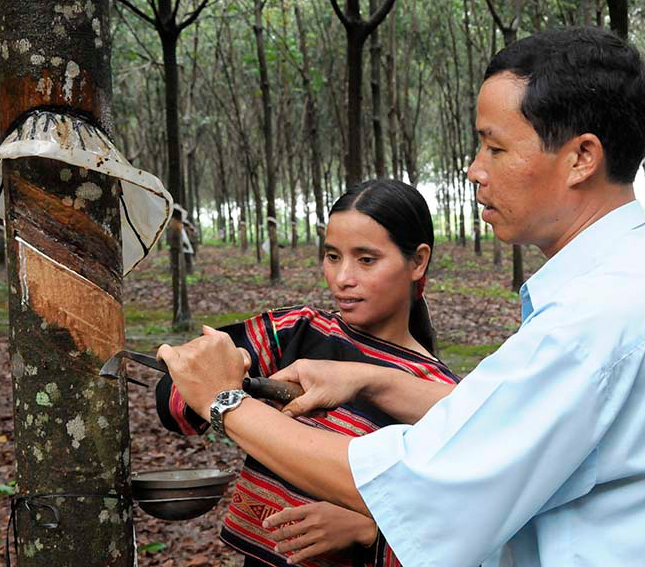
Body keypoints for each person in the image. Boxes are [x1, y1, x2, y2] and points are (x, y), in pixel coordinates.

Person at [159, 27, 645, 566]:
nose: (473, 170)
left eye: (494, 147)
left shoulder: (594, 320)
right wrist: (371, 381)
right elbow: (512, 431)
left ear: (581, 158)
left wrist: (225, 402)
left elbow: (412, 484)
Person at [155, 179, 459, 567]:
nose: (342, 278)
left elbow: (450, 531)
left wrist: (369, 531)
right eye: (333, 256)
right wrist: (218, 381)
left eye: (366, 260)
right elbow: (173, 397)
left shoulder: (440, 396)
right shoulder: (296, 331)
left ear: (417, 261)